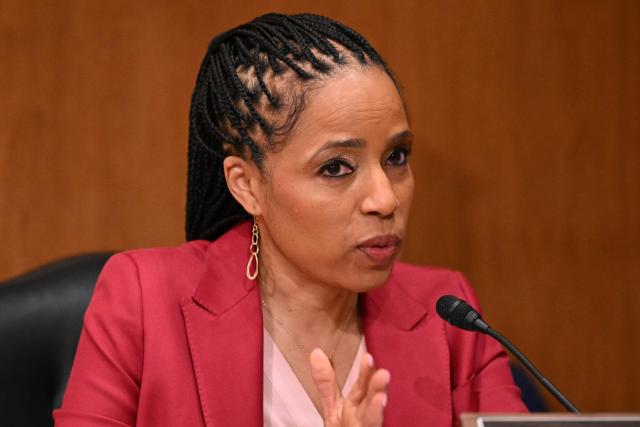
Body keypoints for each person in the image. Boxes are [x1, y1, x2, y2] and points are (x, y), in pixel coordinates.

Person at [54, 12, 526, 427]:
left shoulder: (451, 316)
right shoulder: (142, 300)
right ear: (247, 185)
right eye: (336, 167)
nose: (385, 198)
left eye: (397, 157)